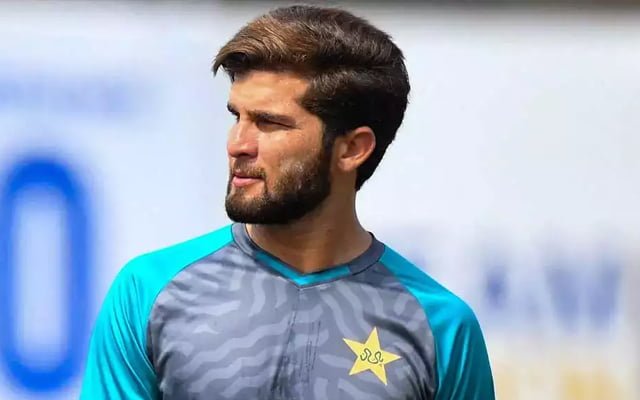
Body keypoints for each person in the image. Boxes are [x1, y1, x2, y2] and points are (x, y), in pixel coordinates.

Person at [80, 4, 494, 400]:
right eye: (237, 117)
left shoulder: (440, 327)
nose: (237, 144)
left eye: (269, 123)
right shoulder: (149, 291)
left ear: (352, 149)